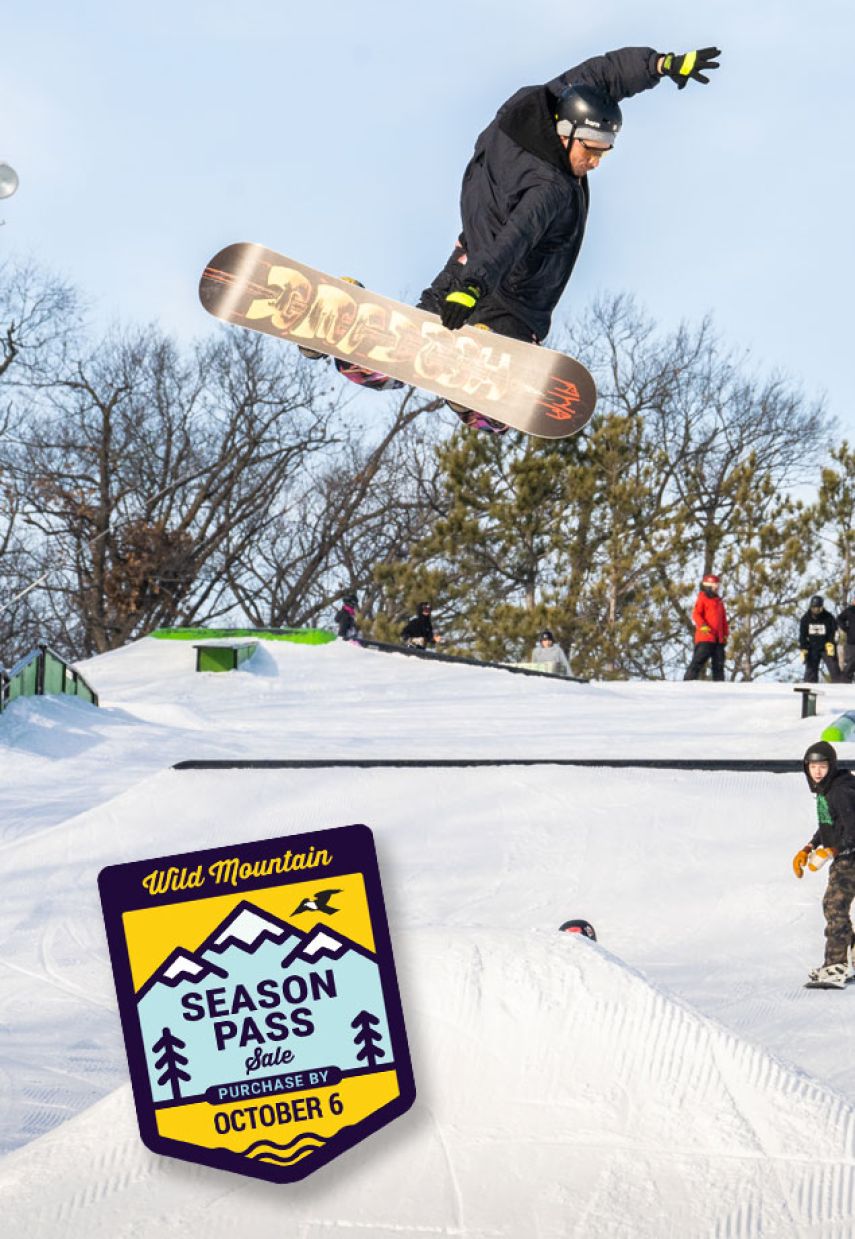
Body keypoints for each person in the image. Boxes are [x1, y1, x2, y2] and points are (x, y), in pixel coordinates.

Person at [416, 43, 721, 433]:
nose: (595, 162)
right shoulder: (552, 188)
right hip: (509, 298)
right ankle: (477, 385)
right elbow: (518, 233)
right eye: (592, 151)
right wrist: (475, 287)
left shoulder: (533, 106)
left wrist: (658, 65)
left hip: (469, 259)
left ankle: (364, 357)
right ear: (567, 134)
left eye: (605, 153)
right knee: (499, 418)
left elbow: (603, 74)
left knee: (418, 328)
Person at [793, 742, 855, 988]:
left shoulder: (840, 791)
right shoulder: (828, 789)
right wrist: (809, 847)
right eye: (812, 766)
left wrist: (833, 849)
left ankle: (836, 965)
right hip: (846, 855)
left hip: (851, 856)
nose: (817, 772)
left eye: (822, 766)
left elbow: (853, 828)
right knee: (835, 906)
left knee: (834, 905)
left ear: (832, 766)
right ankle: (848, 960)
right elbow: (830, 824)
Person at [683, 573, 728, 681]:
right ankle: (686, 684)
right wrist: (703, 626)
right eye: (715, 585)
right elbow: (696, 614)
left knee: (719, 665)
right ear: (709, 585)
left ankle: (720, 689)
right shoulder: (703, 598)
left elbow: (723, 620)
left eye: (718, 585)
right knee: (698, 661)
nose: (718, 587)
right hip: (706, 637)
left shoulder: (719, 602)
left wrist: (725, 635)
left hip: (719, 639)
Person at [798, 594, 840, 683]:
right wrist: (803, 648)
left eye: (818, 608)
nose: (816, 610)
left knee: (835, 670)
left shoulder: (829, 617)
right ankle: (810, 691)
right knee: (810, 673)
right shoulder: (805, 619)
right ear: (811, 607)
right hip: (812, 648)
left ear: (822, 607)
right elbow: (802, 636)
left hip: (827, 648)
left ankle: (840, 689)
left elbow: (835, 633)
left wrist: (832, 643)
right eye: (814, 607)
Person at [837, 595, 855, 683]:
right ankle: (845, 681)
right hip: (852, 641)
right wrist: (846, 629)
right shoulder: (850, 610)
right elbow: (839, 618)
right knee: (851, 662)